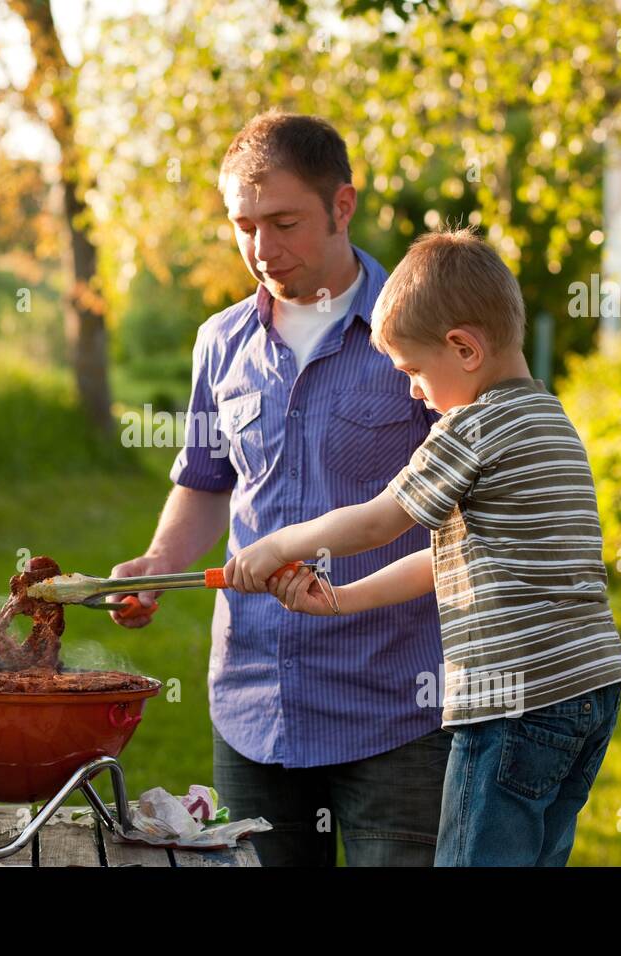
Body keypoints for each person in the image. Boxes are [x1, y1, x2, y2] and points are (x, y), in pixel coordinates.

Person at [226, 227, 621, 866]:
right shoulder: (548, 418)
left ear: (464, 348)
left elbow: (376, 522)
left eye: (414, 371)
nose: (414, 391)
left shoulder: (470, 428)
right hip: (586, 695)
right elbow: (446, 558)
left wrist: (275, 542)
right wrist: (340, 600)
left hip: (512, 701)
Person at [109, 110, 451, 866]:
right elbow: (207, 481)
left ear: (342, 206)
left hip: (396, 709)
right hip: (255, 708)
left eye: (284, 221)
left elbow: (464, 514)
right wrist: (157, 562)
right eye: (244, 225)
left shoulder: (423, 333)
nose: (263, 249)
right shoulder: (219, 342)